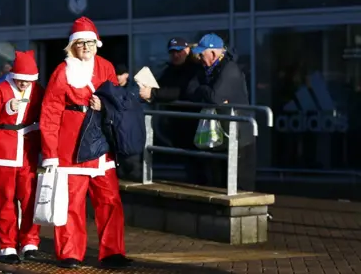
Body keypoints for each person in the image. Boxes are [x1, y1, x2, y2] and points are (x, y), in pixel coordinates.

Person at [39, 16, 131, 269]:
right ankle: (70, 252)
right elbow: (49, 113)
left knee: (110, 199)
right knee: (71, 202)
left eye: (90, 43)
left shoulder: (106, 67)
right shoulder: (61, 71)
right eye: (81, 43)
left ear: (97, 44)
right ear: (72, 46)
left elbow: (117, 101)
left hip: (101, 143)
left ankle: (112, 251)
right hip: (71, 145)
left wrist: (105, 106)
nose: (86, 48)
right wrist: (50, 152)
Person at [0, 50, 44, 264]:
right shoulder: (0, 89)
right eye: (21, 80)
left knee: (29, 199)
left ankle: (30, 241)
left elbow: (46, 117)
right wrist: (7, 108)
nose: (24, 84)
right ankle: (7, 245)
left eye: (28, 81)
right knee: (4, 201)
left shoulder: (38, 90)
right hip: (3, 152)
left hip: (27, 149)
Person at [187, 33, 255, 191]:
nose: (200, 58)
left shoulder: (230, 69)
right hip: (221, 135)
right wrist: (207, 91)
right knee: (218, 182)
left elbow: (215, 97)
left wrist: (204, 91)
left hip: (239, 137)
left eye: (202, 54)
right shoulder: (207, 70)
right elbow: (190, 91)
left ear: (213, 53)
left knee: (239, 186)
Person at [138, 37, 201, 185]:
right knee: (189, 163)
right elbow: (162, 87)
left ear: (186, 51)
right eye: (172, 52)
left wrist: (153, 93)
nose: (175, 55)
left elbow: (180, 91)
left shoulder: (194, 70)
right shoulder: (169, 70)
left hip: (194, 124)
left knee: (199, 163)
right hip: (177, 125)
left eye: (179, 51)